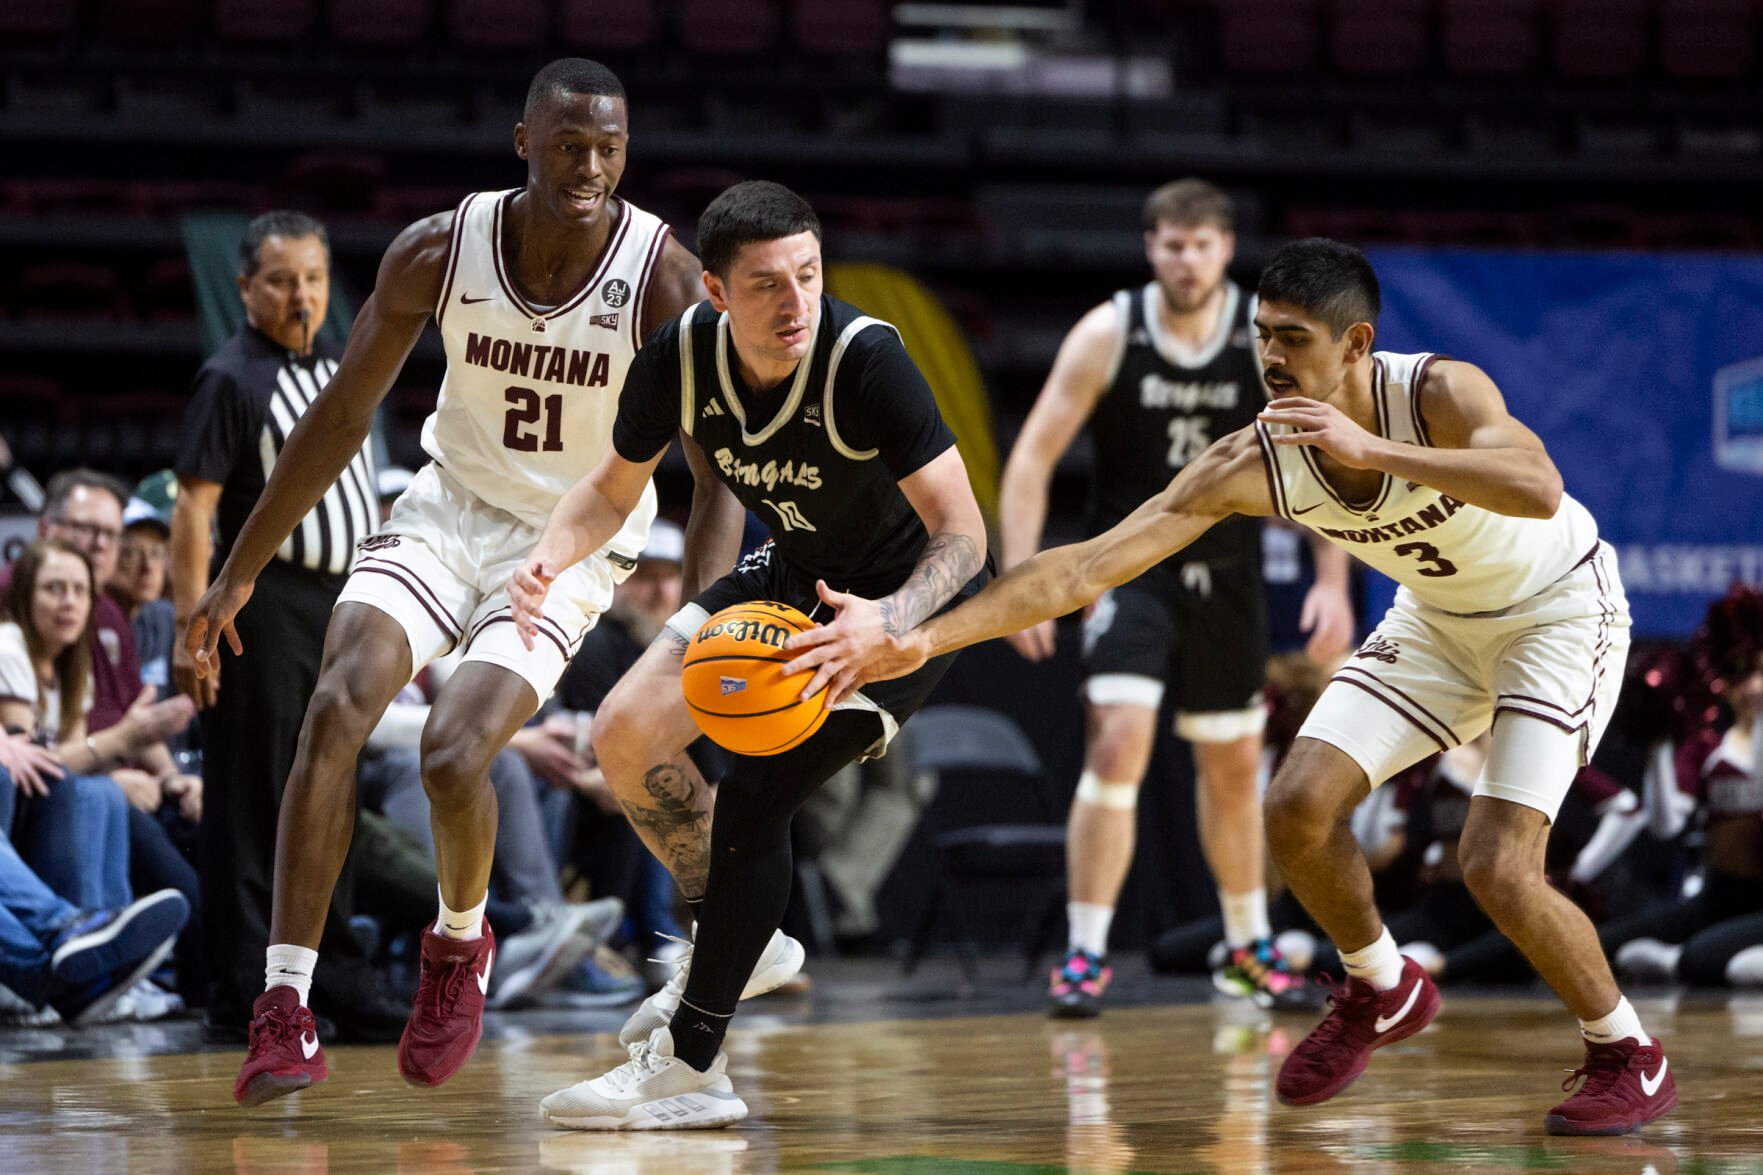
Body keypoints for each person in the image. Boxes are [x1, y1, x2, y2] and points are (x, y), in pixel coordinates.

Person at [789, 238, 1677, 1137]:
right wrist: (916, 634)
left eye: (1293, 338)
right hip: (1438, 622)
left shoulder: (1438, 391)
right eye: (1261, 335)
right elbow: (1085, 568)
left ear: (1356, 343)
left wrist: (1370, 446)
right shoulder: (1250, 459)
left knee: (1494, 862)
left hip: (1555, 613)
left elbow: (1536, 484)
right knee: (1292, 807)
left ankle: (1626, 1053)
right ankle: (1380, 986)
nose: (1270, 358)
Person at [183, 59, 723, 1108]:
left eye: (609, 148)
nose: (591, 167)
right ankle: (283, 1003)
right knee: (333, 707)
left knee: (450, 752)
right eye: (570, 145)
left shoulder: (659, 275)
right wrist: (237, 569)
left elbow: (713, 479)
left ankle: (458, 944)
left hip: (569, 540)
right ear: (524, 141)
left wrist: (688, 633)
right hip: (444, 509)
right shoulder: (439, 248)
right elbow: (339, 415)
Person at [512, 181, 989, 1130]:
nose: (796, 302)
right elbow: (610, 491)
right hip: (797, 569)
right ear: (716, 292)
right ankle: (742, 935)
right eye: (767, 283)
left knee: (758, 793)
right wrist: (549, 553)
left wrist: (885, 622)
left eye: (809, 276)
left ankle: (692, 1067)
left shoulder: (867, 363)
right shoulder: (680, 357)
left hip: (905, 602)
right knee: (625, 734)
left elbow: (967, 537)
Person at [998, 179, 1353, 1015]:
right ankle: (1084, 956)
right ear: (1149, 247)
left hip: (1226, 577)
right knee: (1117, 743)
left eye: (1200, 244)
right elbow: (1031, 456)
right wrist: (1022, 574)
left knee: (1232, 769)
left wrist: (1333, 581)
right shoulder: (1109, 329)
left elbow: (1316, 457)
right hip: (1132, 569)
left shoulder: (1261, 336)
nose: (1184, 259)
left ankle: (1245, 950)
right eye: (1169, 243)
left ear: (1225, 251)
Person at [170, 207, 406, 1045]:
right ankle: (240, 989)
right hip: (261, 606)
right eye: (280, 280)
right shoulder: (230, 377)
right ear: (245, 289)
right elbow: (194, 510)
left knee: (327, 792)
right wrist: (187, 626)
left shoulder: (341, 372)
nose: (299, 294)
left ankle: (332, 975)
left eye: (311, 277)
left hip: (339, 602)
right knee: (255, 797)